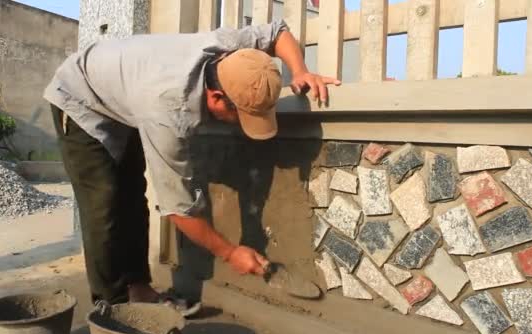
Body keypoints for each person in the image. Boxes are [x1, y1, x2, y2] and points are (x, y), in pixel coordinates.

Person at [44, 19, 340, 315]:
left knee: (133, 193)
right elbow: (178, 209)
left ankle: (140, 289)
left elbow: (278, 31)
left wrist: (301, 71)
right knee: (105, 203)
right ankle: (113, 310)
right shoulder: (168, 113)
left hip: (127, 87)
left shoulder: (228, 47)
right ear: (216, 97)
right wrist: (230, 252)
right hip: (79, 95)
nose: (241, 123)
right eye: (241, 115)